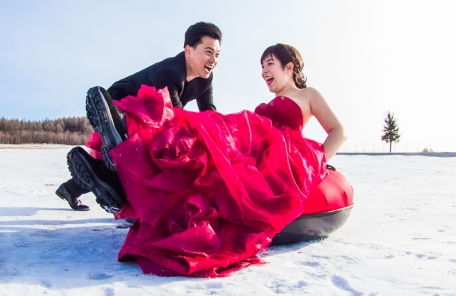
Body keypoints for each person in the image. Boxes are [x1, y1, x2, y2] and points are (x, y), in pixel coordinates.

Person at [87, 43, 347, 277]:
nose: (263, 72)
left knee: (209, 128)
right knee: (202, 139)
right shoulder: (273, 101)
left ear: (288, 66)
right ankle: (127, 146)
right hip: (255, 143)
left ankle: (125, 145)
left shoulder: (308, 94)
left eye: (269, 64)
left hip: (281, 151)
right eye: (262, 66)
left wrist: (318, 162)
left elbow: (339, 131)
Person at [55, 22, 222, 211]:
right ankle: (119, 133)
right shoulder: (169, 71)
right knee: (147, 154)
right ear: (188, 50)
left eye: (217, 55)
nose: (214, 60)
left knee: (116, 166)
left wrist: (218, 140)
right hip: (121, 104)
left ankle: (70, 189)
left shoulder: (206, 79)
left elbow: (209, 112)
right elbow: (173, 115)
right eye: (208, 52)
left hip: (151, 115)